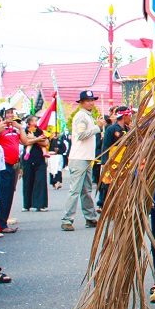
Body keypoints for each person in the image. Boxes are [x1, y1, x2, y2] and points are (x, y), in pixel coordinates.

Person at [62, 91, 102, 231]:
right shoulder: (81, 116)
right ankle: (67, 219)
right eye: (87, 100)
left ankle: (90, 217)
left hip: (85, 157)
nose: (91, 102)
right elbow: (81, 135)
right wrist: (98, 128)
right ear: (81, 102)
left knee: (86, 190)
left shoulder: (87, 116)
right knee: (75, 189)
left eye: (92, 100)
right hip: (79, 157)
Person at [0, 107, 27, 233]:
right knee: (2, 196)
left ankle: (3, 223)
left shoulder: (14, 128)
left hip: (13, 165)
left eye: (12, 112)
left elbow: (24, 141)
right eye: (8, 112)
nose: (10, 115)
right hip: (3, 165)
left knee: (9, 196)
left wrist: (20, 128)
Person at [21, 114, 49, 212]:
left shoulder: (39, 130)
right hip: (28, 159)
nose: (36, 122)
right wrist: (36, 140)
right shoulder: (24, 131)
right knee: (27, 181)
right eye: (34, 120)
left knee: (40, 181)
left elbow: (45, 143)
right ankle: (27, 204)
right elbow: (24, 142)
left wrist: (33, 140)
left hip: (39, 158)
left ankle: (40, 204)